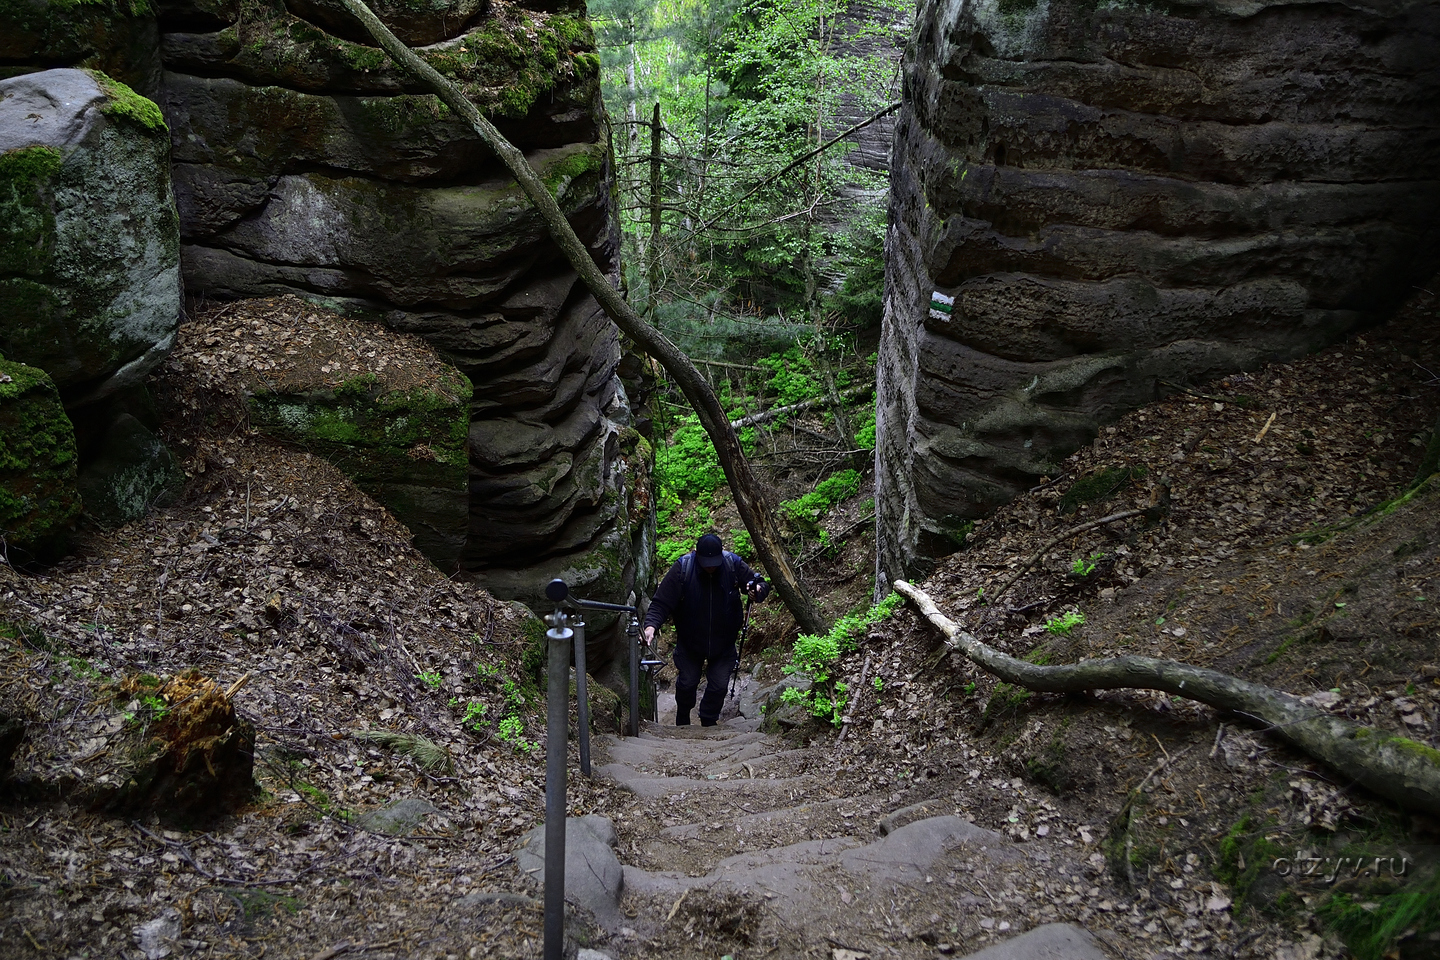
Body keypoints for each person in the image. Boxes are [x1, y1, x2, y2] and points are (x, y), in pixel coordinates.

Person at [643, 533, 770, 727]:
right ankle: (683, 720)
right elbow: (661, 603)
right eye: (706, 562)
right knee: (687, 684)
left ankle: (709, 722)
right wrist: (651, 626)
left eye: (714, 562)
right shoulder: (683, 568)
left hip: (724, 643)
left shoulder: (732, 564)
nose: (710, 566)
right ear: (697, 555)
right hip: (690, 642)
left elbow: (759, 583)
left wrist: (757, 591)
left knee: (719, 686)